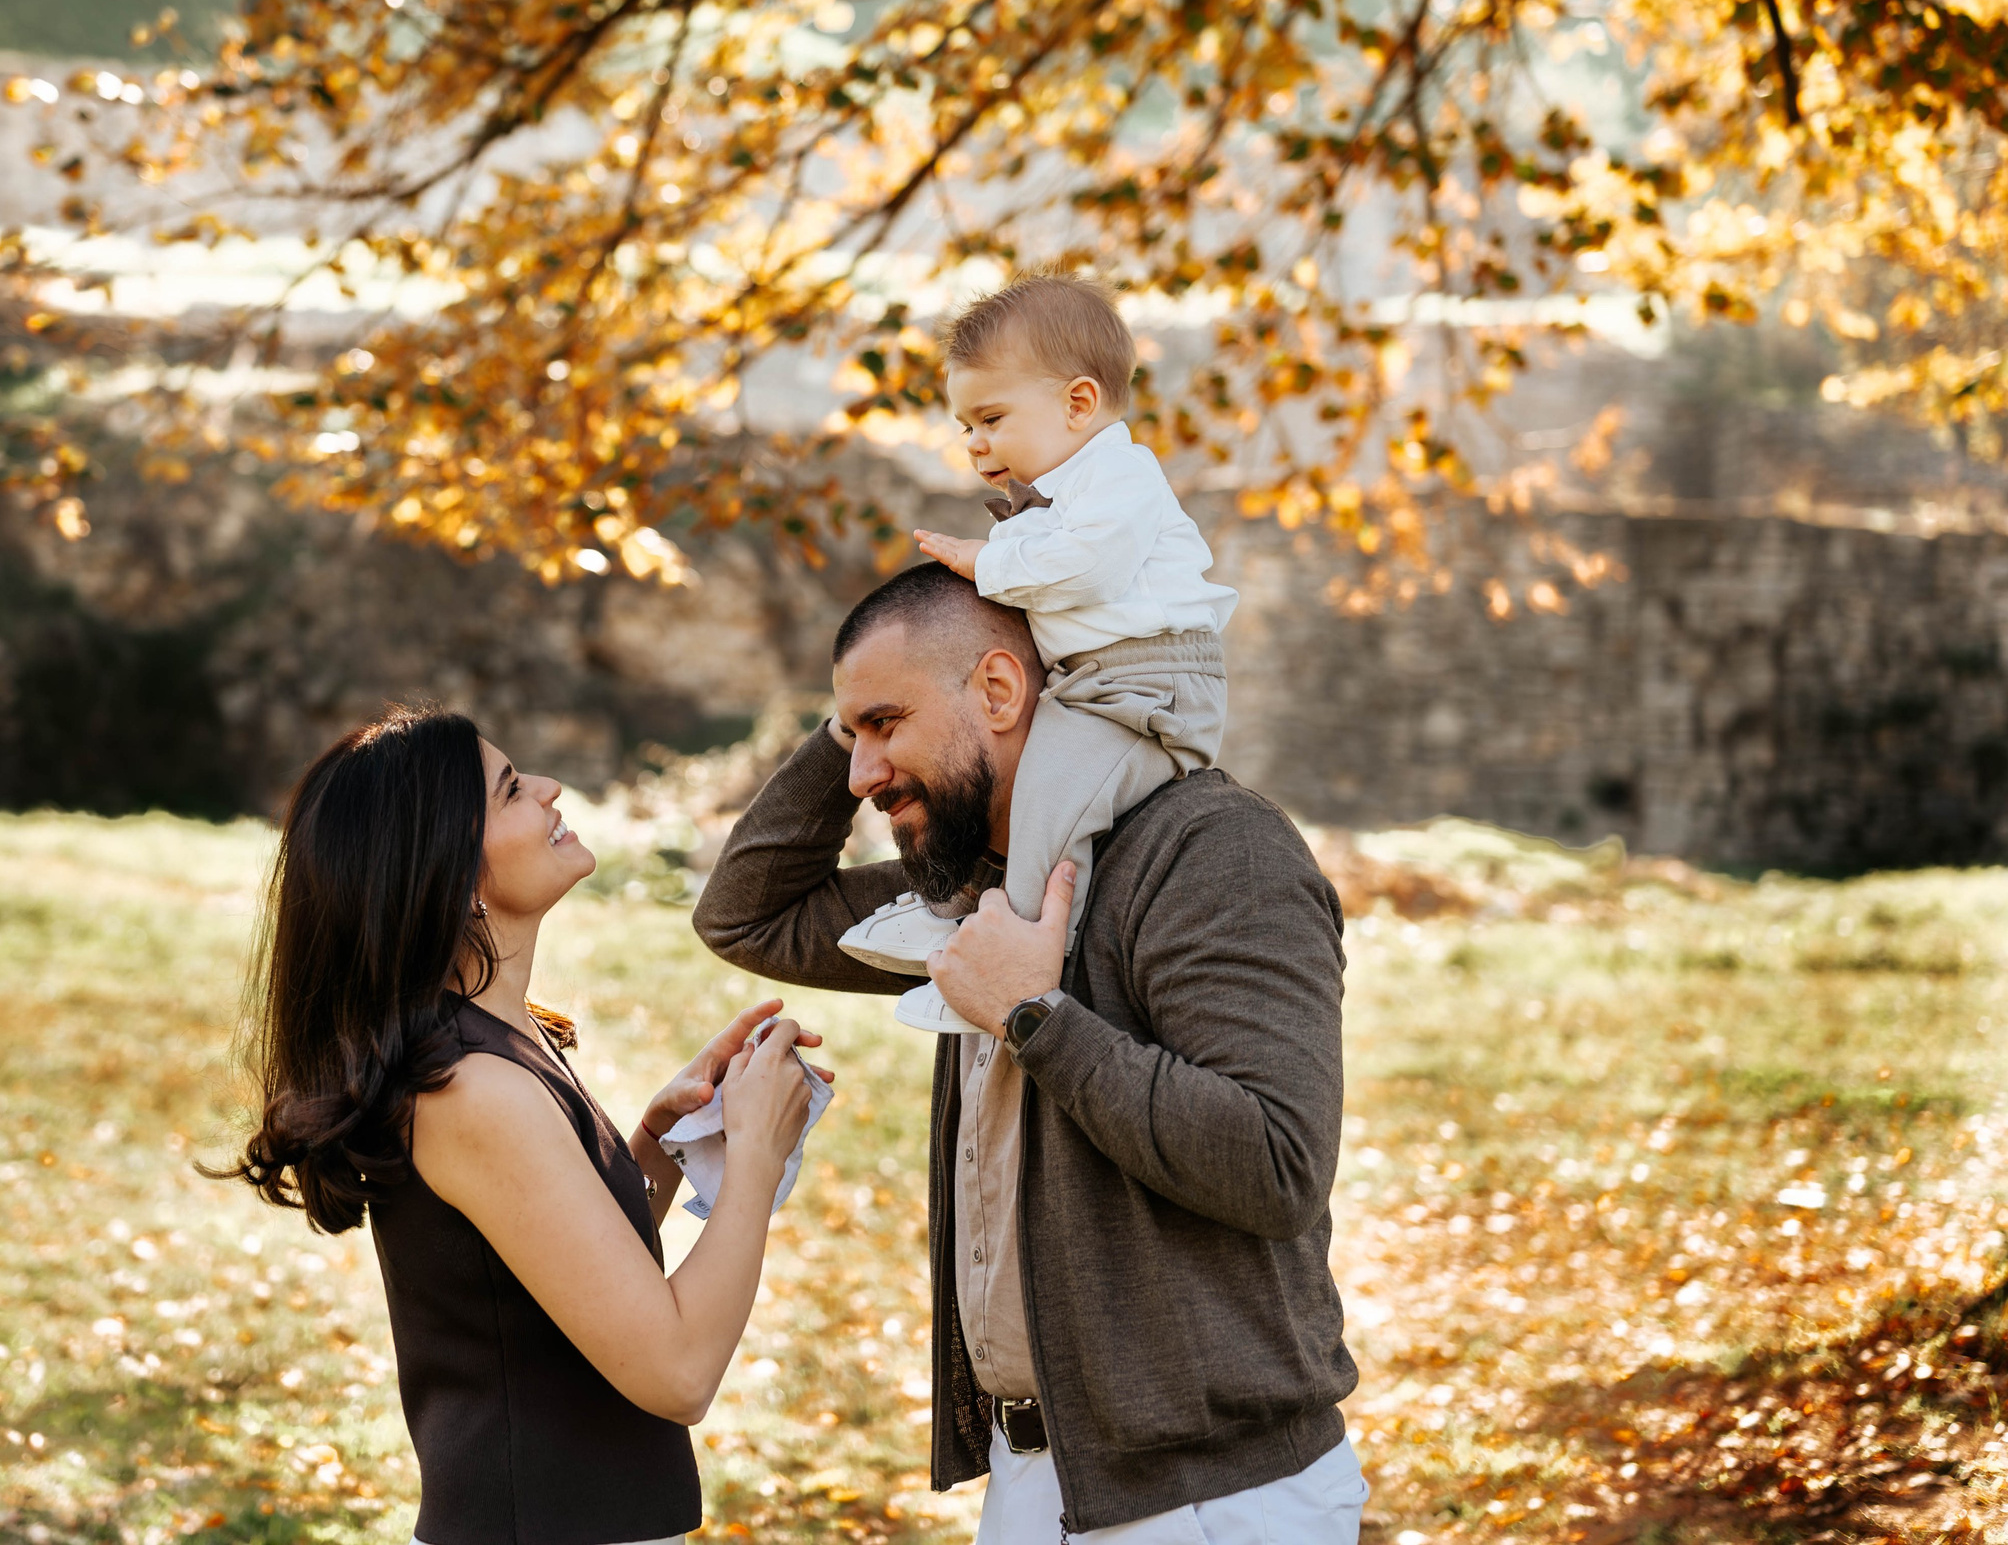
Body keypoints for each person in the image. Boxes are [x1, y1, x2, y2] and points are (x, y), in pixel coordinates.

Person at [693, 566, 1363, 1543]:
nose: (861, 774)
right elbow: (750, 914)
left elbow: (1276, 1162)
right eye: (852, 734)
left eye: (884, 722)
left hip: (1207, 1502)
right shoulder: (974, 889)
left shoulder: (1210, 848)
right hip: (1036, 1478)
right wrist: (847, 719)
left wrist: (1031, 1013)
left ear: (1001, 692)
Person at [214, 705, 827, 1545]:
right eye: (510, 790)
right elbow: (677, 1372)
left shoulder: (496, 1042)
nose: (549, 788)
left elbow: (556, 1287)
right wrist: (753, 1152)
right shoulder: (471, 1087)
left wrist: (657, 1143)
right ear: (452, 871)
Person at [841, 273, 1237, 1036]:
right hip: (1095, 678)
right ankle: (961, 910)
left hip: (1150, 682)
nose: (975, 441)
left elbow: (1088, 569)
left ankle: (1011, 959)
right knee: (1007, 783)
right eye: (965, 424)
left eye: (991, 416)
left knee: (1054, 800)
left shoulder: (1121, 480)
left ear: (1078, 404)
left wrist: (983, 562)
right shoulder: (1057, 497)